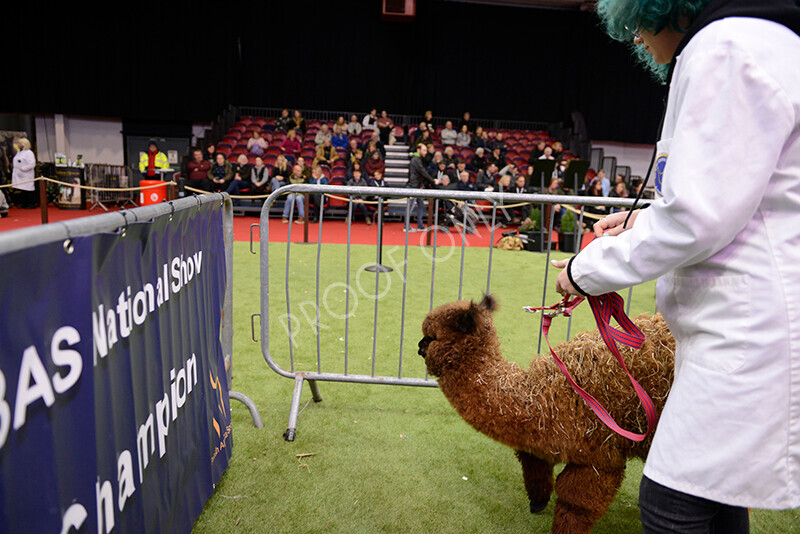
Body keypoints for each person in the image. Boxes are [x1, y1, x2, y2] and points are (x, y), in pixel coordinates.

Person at [554, 2, 800, 532]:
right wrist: (643, 220)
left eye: (637, 24)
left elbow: (696, 218)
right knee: (716, 492)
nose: (636, 39)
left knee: (673, 503)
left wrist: (584, 270)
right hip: (739, 324)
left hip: (746, 330)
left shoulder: (728, 47)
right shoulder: (748, 42)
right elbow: (731, 199)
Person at [406, 143, 439, 231]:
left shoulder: (417, 159)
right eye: (424, 150)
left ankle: (420, 225)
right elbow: (422, 172)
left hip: (416, 186)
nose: (425, 152)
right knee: (411, 207)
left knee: (421, 205)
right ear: (418, 150)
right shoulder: (416, 159)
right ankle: (406, 226)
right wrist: (433, 181)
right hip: (413, 187)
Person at [11, 138, 36, 209]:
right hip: (19, 175)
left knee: (28, 189)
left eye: (18, 143)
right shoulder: (19, 152)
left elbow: (32, 164)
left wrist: (23, 169)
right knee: (23, 190)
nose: (17, 145)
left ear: (23, 144)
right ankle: (24, 203)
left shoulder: (29, 153)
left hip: (26, 174)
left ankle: (31, 204)